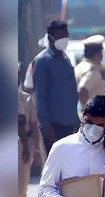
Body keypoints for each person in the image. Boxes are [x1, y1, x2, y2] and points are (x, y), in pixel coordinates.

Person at [31, 20, 79, 151]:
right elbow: (39, 96)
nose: (64, 39)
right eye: (60, 36)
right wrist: (45, 125)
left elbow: (72, 92)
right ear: (51, 36)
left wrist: (76, 119)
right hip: (54, 125)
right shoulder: (42, 61)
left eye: (66, 36)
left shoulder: (66, 59)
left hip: (70, 123)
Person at [19, 77, 44, 197]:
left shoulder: (26, 98)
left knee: (21, 187)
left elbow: (33, 125)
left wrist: (35, 149)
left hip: (23, 146)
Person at [74, 36, 105, 105]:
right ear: (98, 55)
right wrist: (85, 109)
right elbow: (82, 89)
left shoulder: (79, 67)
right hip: (96, 113)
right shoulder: (92, 70)